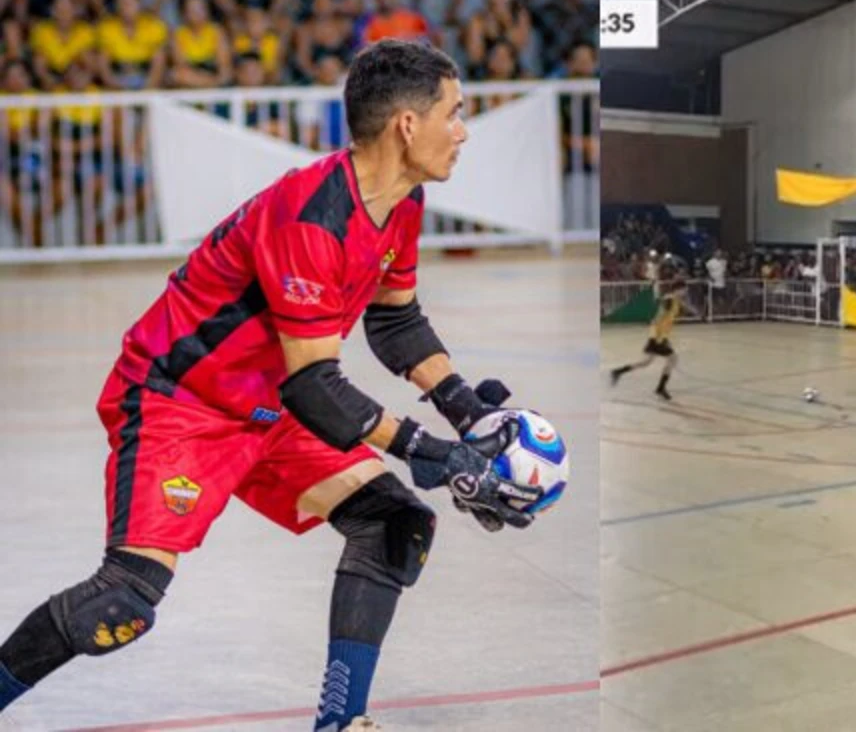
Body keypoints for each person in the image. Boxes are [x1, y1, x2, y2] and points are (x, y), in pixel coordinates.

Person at [0, 40, 544, 732]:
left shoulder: (402, 207)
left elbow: (397, 322)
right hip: (180, 401)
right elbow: (317, 385)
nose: (463, 130)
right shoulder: (310, 217)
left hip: (270, 406)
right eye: (456, 112)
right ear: (408, 125)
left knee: (394, 524)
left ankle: (340, 722)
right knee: (123, 601)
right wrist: (429, 452)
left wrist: (469, 415)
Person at [611, 270, 692, 401]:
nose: (685, 293)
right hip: (657, 337)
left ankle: (618, 372)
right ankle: (660, 388)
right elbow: (657, 318)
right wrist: (658, 337)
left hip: (659, 337)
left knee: (645, 362)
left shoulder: (674, 300)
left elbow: (671, 315)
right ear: (678, 289)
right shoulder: (669, 300)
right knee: (672, 359)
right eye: (684, 290)